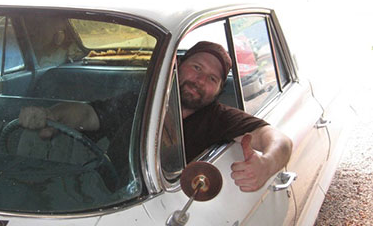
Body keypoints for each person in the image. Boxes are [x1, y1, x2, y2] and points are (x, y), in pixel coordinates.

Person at [19, 41, 292, 192]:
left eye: (212, 78)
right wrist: (50, 114)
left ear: (220, 90)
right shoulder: (143, 102)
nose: (199, 80)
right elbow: (89, 114)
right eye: (196, 67)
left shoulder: (219, 119)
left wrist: (267, 165)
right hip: (109, 193)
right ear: (179, 66)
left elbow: (278, 139)